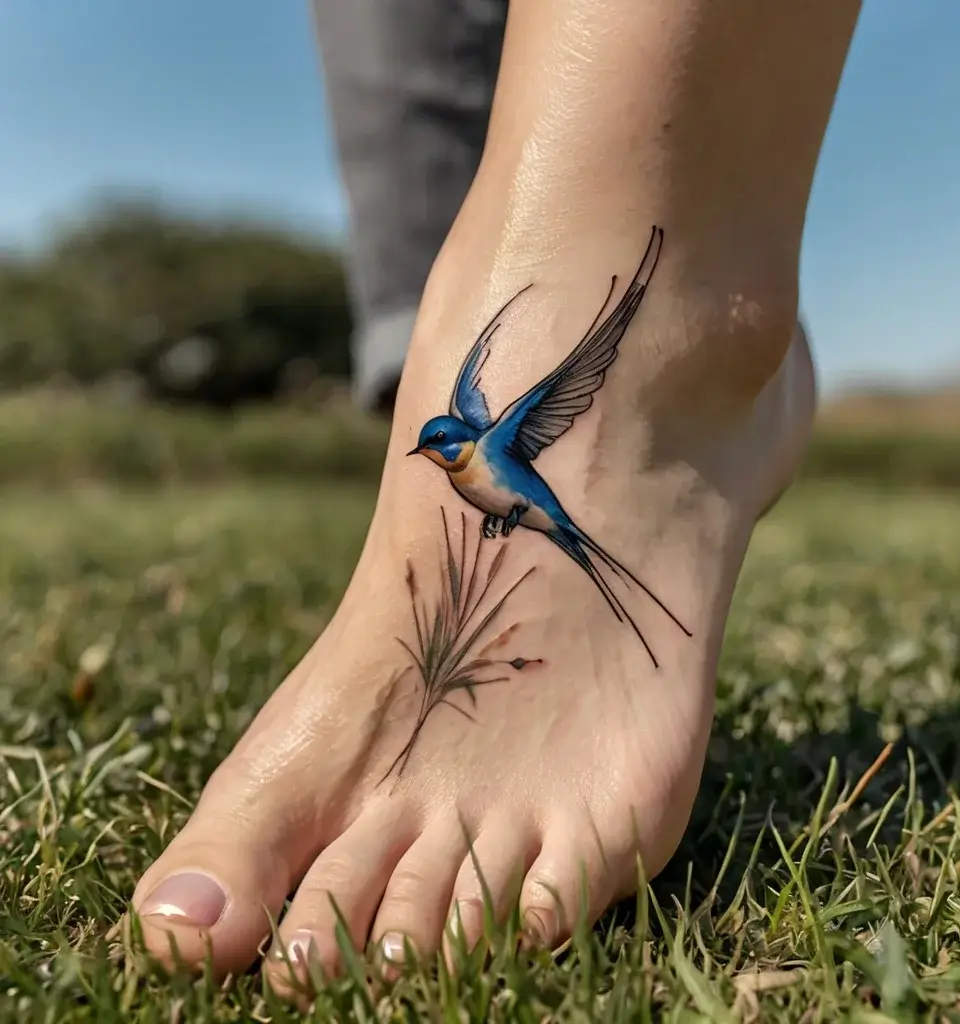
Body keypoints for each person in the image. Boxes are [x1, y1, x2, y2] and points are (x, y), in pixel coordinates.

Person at [131, 0, 858, 995]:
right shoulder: (459, 451)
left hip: (548, 478)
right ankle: (451, 316)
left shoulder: (496, 438)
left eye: (435, 448)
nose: (440, 456)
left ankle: (680, 333)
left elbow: (533, 396)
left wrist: (595, 309)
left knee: (562, 305)